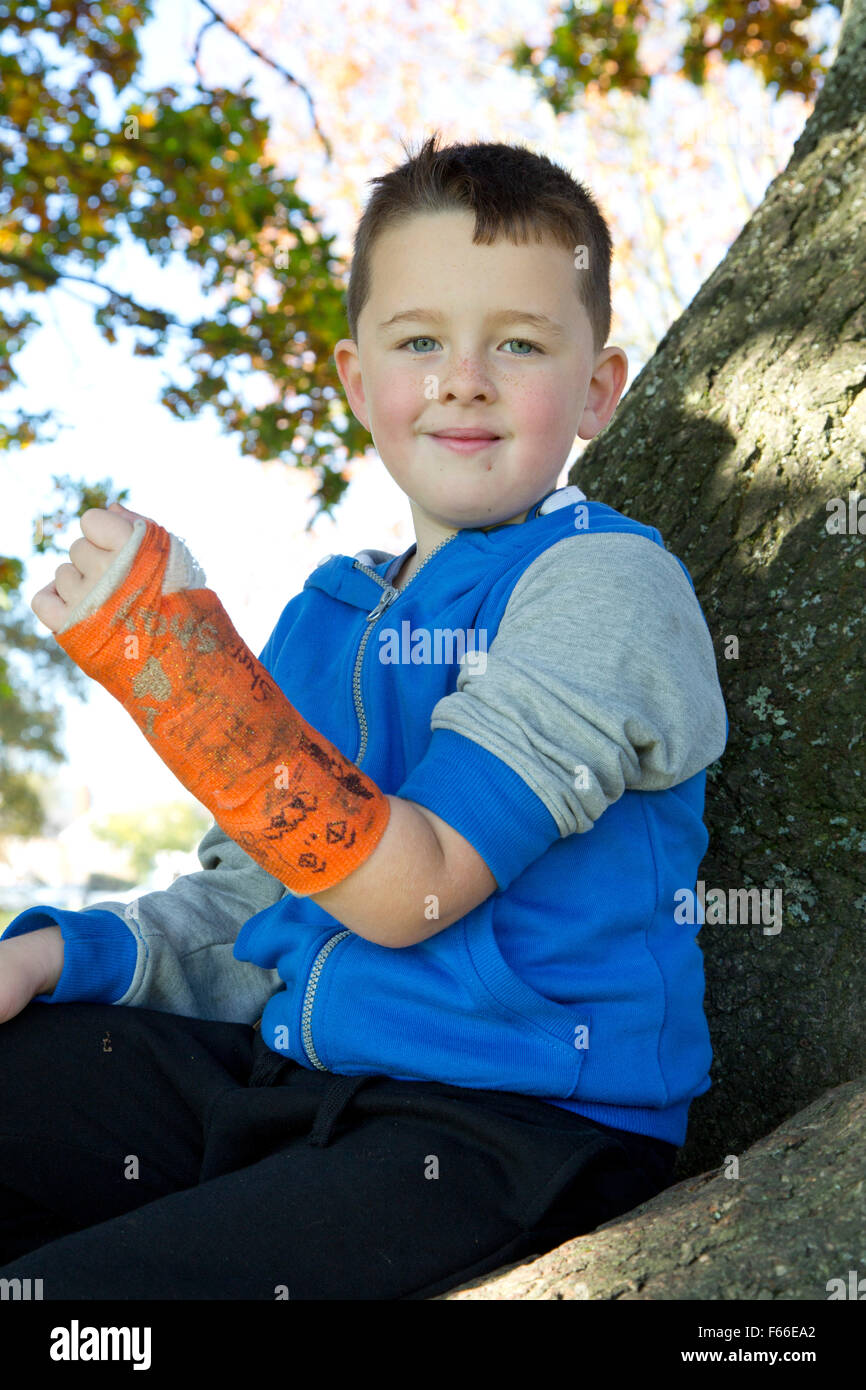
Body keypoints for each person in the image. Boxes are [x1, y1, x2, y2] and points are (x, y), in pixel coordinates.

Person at [0, 133, 728, 1300]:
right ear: (355, 378)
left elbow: (410, 886)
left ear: (598, 389)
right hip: (286, 1080)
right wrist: (55, 951)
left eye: (521, 343)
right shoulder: (327, 609)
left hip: (509, 1128)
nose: (463, 377)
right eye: (420, 340)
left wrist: (183, 678)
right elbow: (253, 905)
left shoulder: (604, 584)